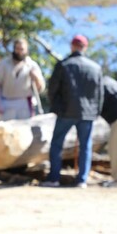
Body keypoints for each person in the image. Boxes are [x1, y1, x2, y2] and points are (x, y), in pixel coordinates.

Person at [42, 34, 104, 188]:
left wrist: (56, 107)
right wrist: (96, 112)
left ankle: (54, 178)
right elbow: (100, 94)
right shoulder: (95, 68)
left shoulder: (64, 65)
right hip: (87, 113)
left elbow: (52, 90)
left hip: (66, 111)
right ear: (85, 47)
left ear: (72, 46)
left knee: (57, 144)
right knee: (86, 146)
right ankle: (82, 180)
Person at [0, 37, 45, 121]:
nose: (19, 51)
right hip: (5, 102)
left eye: (22, 49)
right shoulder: (3, 64)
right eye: (17, 49)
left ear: (26, 50)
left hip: (25, 105)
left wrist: (36, 78)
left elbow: (40, 88)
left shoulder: (32, 65)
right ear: (14, 49)